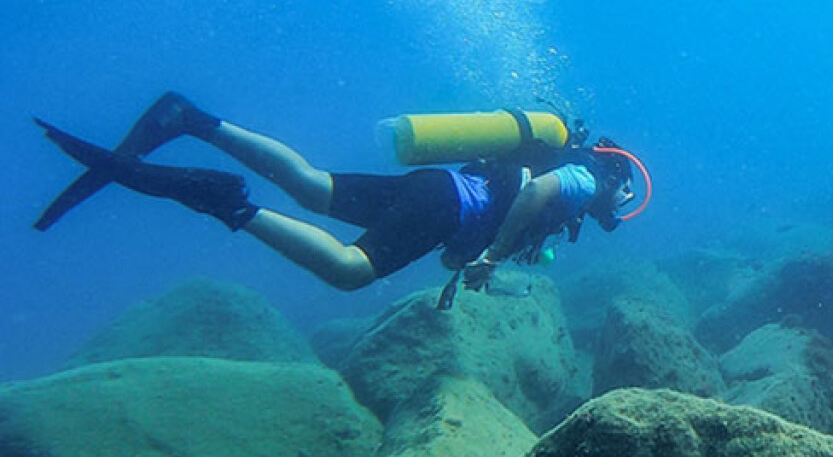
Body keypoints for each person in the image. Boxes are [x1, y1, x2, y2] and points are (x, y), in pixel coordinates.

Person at [34, 92, 641, 298]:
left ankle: (190, 120)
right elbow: (536, 195)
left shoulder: (571, 176)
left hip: (439, 192)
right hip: (447, 205)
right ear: (616, 179)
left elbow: (474, 236)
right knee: (351, 270)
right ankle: (230, 204)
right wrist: (491, 256)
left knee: (312, 186)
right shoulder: (586, 178)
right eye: (623, 200)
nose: (613, 213)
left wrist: (469, 260)